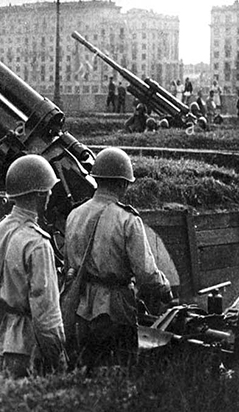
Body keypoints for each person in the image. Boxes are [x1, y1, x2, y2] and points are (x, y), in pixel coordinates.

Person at [62, 148, 171, 369]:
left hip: (80, 306)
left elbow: (67, 265)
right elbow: (146, 274)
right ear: (122, 184)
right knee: (119, 371)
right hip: (114, 309)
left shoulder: (75, 214)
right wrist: (165, 290)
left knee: (85, 369)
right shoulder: (127, 220)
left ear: (97, 179)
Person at [0, 155, 68, 377]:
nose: (50, 194)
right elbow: (46, 312)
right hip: (26, 345)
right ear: (39, 195)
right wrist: (59, 357)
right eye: (48, 190)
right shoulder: (37, 243)